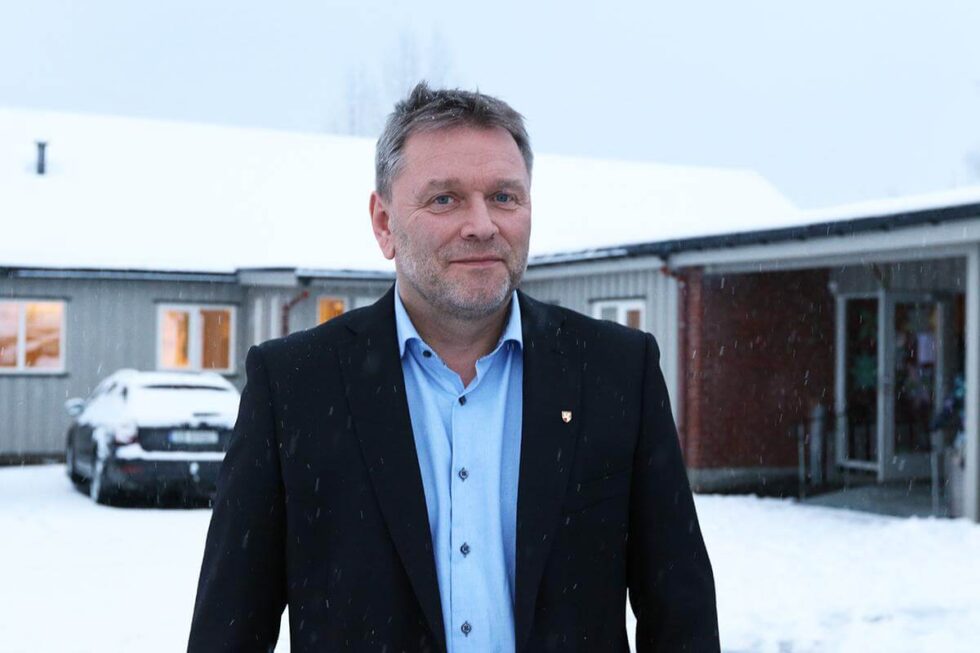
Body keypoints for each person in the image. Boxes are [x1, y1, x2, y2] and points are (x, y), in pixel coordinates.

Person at [188, 82, 719, 653]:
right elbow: (229, 627)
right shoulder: (295, 386)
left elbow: (681, 615)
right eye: (445, 199)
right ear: (384, 223)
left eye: (504, 197)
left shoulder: (617, 372)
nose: (482, 225)